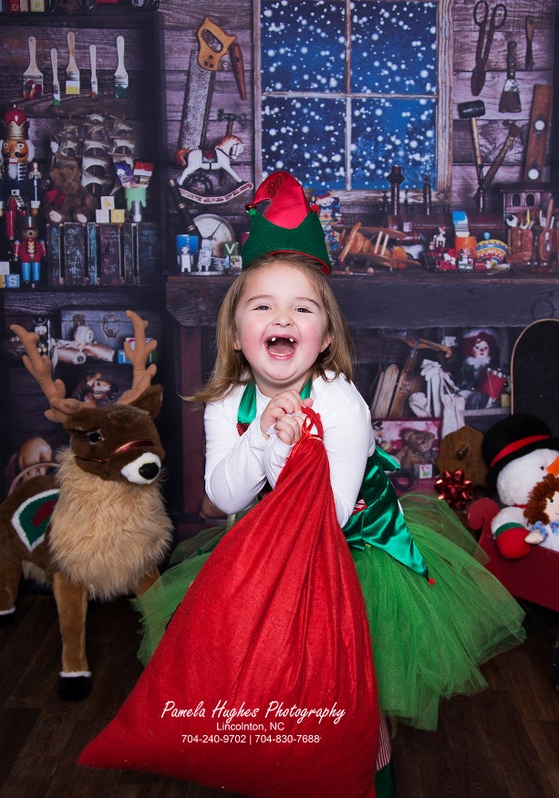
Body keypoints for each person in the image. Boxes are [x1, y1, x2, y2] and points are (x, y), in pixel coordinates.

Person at [134, 171, 525, 795]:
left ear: (321, 339)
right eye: (262, 306)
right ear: (237, 333)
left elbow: (329, 518)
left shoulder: (340, 403)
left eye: (302, 307)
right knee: (262, 692)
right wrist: (263, 434)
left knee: (350, 704)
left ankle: (367, 770)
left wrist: (294, 451)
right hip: (263, 554)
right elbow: (222, 497)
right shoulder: (225, 403)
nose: (281, 317)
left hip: (348, 560)